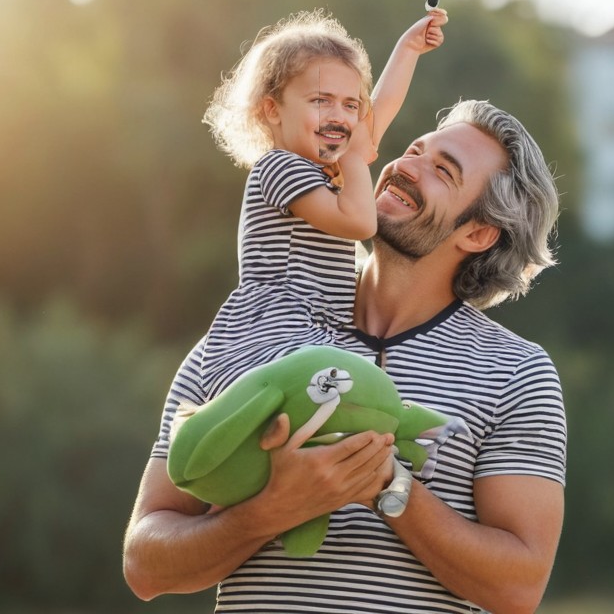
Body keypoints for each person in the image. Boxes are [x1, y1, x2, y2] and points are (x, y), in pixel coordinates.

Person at [124, 96, 565, 614]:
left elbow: (518, 588)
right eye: (414, 150)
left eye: (442, 172)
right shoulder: (251, 328)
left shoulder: (516, 372)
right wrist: (269, 511)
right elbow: (144, 564)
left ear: (478, 232)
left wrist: (384, 484)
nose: (404, 167)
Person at [188, 7, 448, 390]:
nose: (340, 116)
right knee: (360, 393)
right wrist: (355, 157)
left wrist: (407, 50)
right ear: (272, 110)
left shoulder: (332, 166)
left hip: (316, 334)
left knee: (365, 397)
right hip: (275, 332)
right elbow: (359, 223)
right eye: (321, 101)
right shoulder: (279, 167)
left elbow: (377, 114)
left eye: (350, 105)